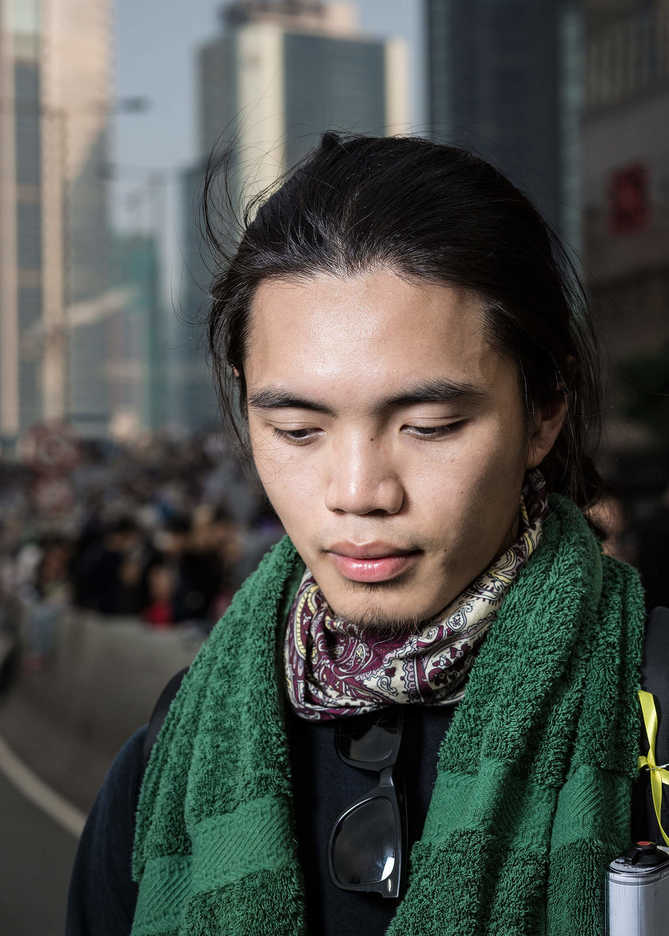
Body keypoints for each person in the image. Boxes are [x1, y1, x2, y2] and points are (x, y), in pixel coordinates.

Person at [67, 133, 668, 936]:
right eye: (297, 431)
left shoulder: (650, 708)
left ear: (544, 411)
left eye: (429, 424)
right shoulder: (172, 754)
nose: (358, 494)